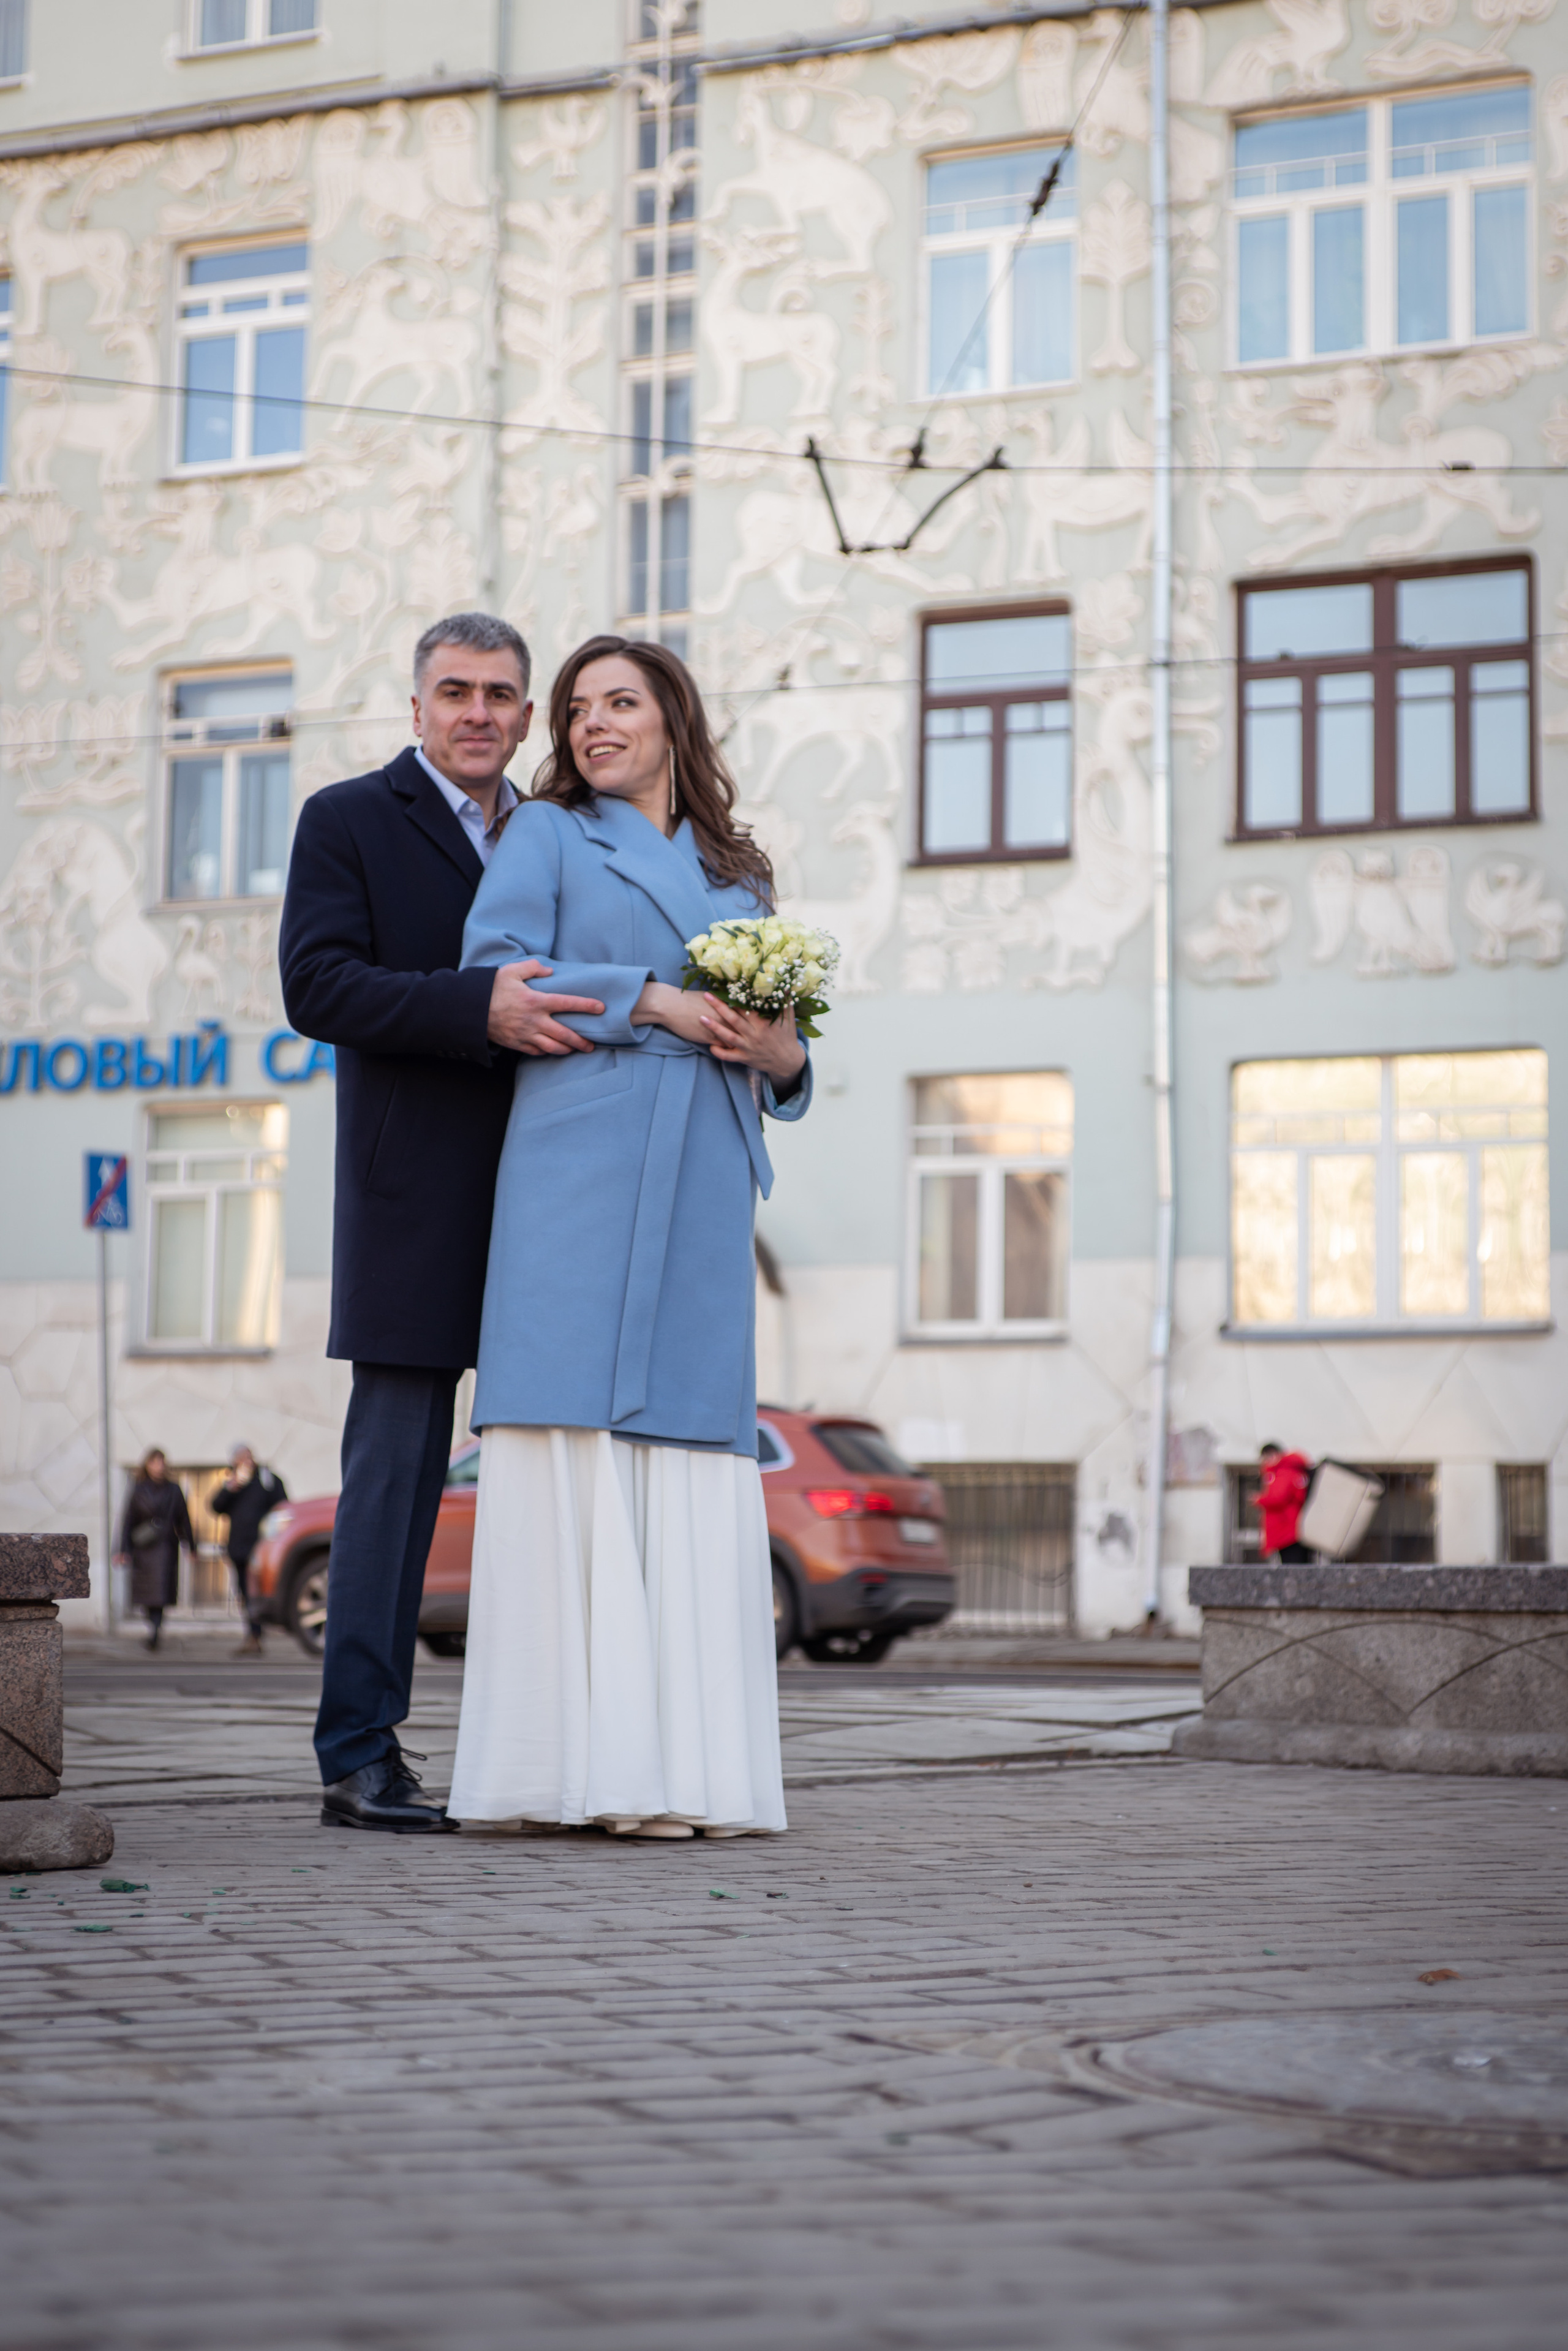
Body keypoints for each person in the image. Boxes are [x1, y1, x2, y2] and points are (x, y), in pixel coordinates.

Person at [447, 635, 812, 1841]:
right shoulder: (546, 834)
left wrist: (785, 1055)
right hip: (579, 1163)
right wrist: (642, 997)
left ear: (672, 719)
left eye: (620, 702)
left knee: (688, 1441)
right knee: (572, 1432)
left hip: (705, 1165)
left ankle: (684, 1773)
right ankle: (563, 1770)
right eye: (578, 707)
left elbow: (784, 1034)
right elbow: (494, 970)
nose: (594, 723)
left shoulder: (734, 872)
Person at [279, 612, 608, 1834]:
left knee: (548, 1485)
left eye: (502, 694)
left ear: (529, 716)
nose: (479, 712)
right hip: (413, 1202)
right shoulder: (348, 820)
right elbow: (317, 986)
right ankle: (358, 1753)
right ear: (416, 704)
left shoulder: (558, 832)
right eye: (456, 690)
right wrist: (478, 1009)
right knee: (393, 1490)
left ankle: (546, 1752)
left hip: (549, 1202)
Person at [209, 1446, 288, 1658]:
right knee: (245, 1593)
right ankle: (253, 1636)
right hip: (239, 1548)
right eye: (241, 1458)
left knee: (261, 1592)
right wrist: (231, 1487)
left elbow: (283, 1506)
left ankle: (259, 1633)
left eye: (249, 1457)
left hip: (262, 1549)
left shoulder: (267, 1480)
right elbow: (216, 1506)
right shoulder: (234, 1483)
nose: (247, 1461)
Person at [114, 1449, 195, 1652]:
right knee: (146, 1593)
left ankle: (155, 1631)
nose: (159, 1466)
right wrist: (123, 1550)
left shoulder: (174, 1490)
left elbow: (184, 1519)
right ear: (148, 1465)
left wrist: (191, 1546)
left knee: (161, 1592)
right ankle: (153, 1626)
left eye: (161, 1462)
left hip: (165, 1546)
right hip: (144, 1548)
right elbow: (128, 1521)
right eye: (155, 1462)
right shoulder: (139, 1489)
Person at [1254, 1442, 1313, 1563]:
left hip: (1287, 1531)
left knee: (1292, 1567)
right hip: (1292, 1530)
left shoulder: (1284, 1472)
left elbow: (1279, 1497)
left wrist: (1260, 1500)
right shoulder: (1292, 1470)